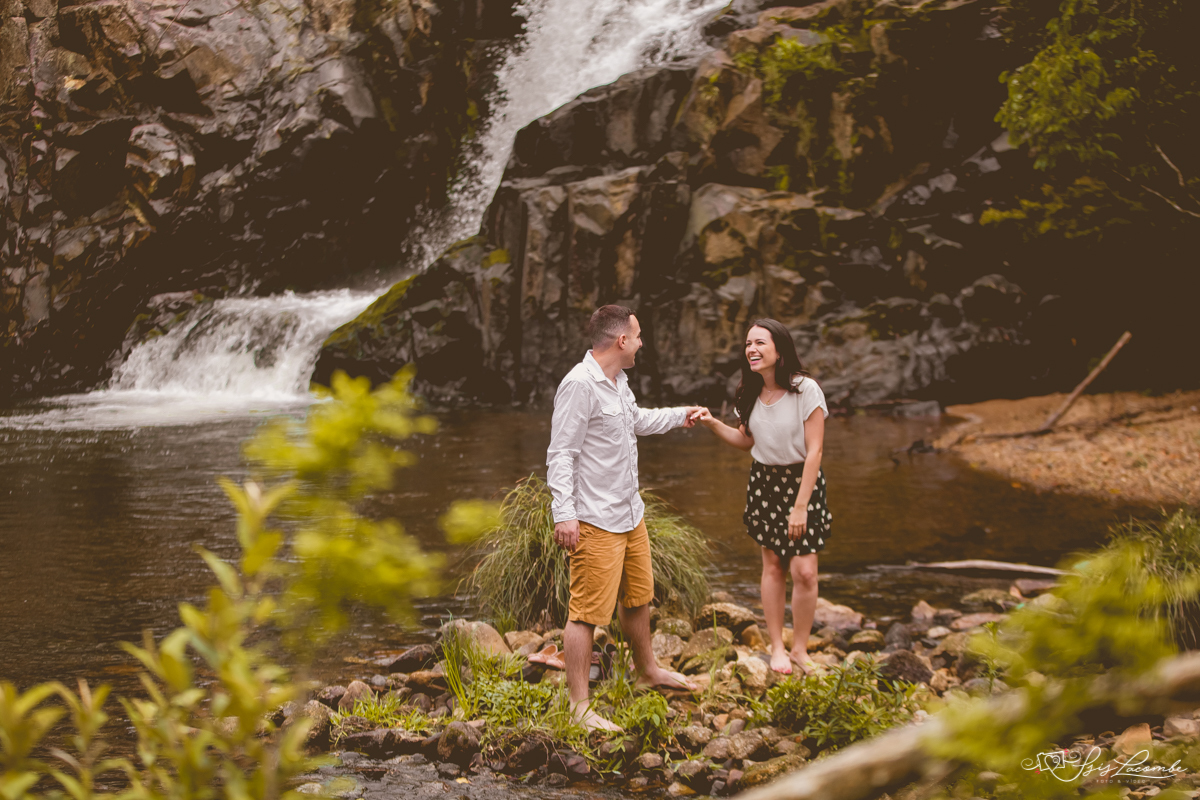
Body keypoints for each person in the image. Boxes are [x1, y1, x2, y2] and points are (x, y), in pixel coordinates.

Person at [547, 305, 704, 731]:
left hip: (630, 513)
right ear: (621, 341)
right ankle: (578, 707)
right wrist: (565, 514)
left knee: (637, 596)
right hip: (595, 519)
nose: (641, 343)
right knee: (585, 613)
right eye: (637, 336)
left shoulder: (619, 380)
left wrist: (681, 415)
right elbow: (561, 454)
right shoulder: (579, 385)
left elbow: (636, 421)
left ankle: (647, 671)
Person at [694, 319, 831, 675]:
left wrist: (800, 506)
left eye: (759, 343)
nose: (751, 349)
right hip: (765, 483)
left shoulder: (806, 389)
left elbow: (815, 451)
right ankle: (777, 647)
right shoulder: (749, 392)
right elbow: (746, 441)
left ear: (779, 349)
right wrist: (712, 423)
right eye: (748, 344)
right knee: (773, 567)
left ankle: (800, 649)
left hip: (802, 483)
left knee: (805, 572)